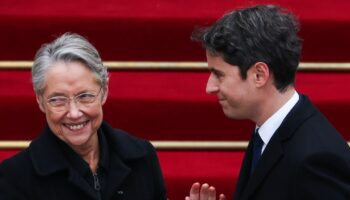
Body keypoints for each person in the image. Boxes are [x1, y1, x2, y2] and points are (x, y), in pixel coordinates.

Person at [186, 5, 350, 200]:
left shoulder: (314, 159)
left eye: (219, 75)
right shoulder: (270, 132)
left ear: (259, 75)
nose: (209, 87)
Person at [0, 33, 167, 200]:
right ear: (40, 101)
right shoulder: (14, 177)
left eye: (85, 96)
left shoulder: (142, 156)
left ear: (104, 91)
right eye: (58, 100)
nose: (74, 113)